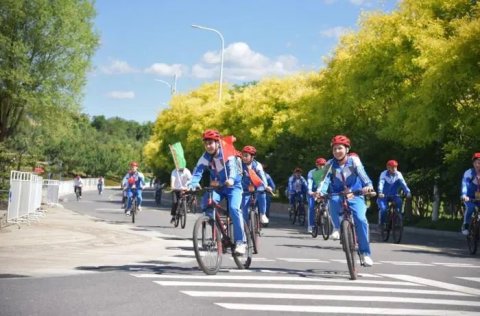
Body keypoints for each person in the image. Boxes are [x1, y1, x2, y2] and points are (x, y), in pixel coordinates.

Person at [316, 135, 375, 266]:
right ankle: (336, 227)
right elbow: (323, 180)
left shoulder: (354, 160)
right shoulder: (329, 164)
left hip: (355, 193)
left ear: (347, 149)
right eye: (335, 149)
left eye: (340, 148)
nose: (337, 151)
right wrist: (320, 191)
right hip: (337, 193)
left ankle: (365, 253)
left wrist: (368, 185)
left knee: (361, 219)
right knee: (333, 201)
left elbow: (362, 173)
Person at [187, 129, 246, 255]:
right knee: (206, 204)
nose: (208, 146)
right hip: (218, 187)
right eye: (206, 143)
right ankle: (220, 232)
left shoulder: (227, 152)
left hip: (233, 186)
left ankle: (241, 242)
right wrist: (193, 184)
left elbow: (232, 168)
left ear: (218, 142)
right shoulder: (205, 156)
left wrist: (231, 179)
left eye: (211, 143)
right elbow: (198, 171)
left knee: (234, 209)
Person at [240, 145, 272, 225]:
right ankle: (245, 227)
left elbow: (263, 177)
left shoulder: (257, 165)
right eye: (243, 155)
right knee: (244, 209)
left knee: (262, 193)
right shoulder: (240, 165)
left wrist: (266, 186)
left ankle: (262, 214)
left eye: (246, 156)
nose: (244, 158)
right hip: (245, 188)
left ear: (252, 157)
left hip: (257, 186)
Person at [377, 160, 412, 228]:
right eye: (392, 167)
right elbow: (381, 183)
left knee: (399, 202)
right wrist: (380, 192)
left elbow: (403, 184)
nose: (394, 169)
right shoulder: (383, 174)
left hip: (394, 195)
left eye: (395, 167)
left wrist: (408, 192)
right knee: (384, 210)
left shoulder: (398, 174)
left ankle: (397, 219)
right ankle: (382, 223)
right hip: (383, 195)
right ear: (388, 167)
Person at [460, 152, 480, 235]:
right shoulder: (468, 173)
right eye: (477, 162)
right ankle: (466, 225)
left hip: (479, 196)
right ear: (473, 163)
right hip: (469, 197)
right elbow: (464, 184)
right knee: (470, 208)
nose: (478, 165)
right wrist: (464, 195)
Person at [307, 157, 327, 233]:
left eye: (323, 165)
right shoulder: (311, 172)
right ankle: (310, 226)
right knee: (311, 207)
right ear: (317, 165)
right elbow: (309, 182)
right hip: (312, 192)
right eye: (320, 165)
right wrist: (310, 191)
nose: (322, 166)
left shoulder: (327, 172)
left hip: (322, 191)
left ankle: (325, 213)